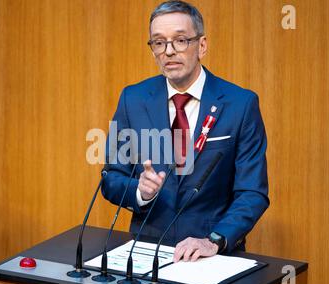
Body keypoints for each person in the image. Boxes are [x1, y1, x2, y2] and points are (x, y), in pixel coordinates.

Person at [101, 0, 269, 262]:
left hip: (213, 254)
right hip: (148, 254)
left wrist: (214, 240)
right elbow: (111, 177)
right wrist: (140, 192)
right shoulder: (132, 99)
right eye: (159, 42)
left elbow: (252, 192)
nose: (169, 51)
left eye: (180, 40)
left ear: (201, 45)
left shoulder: (240, 104)